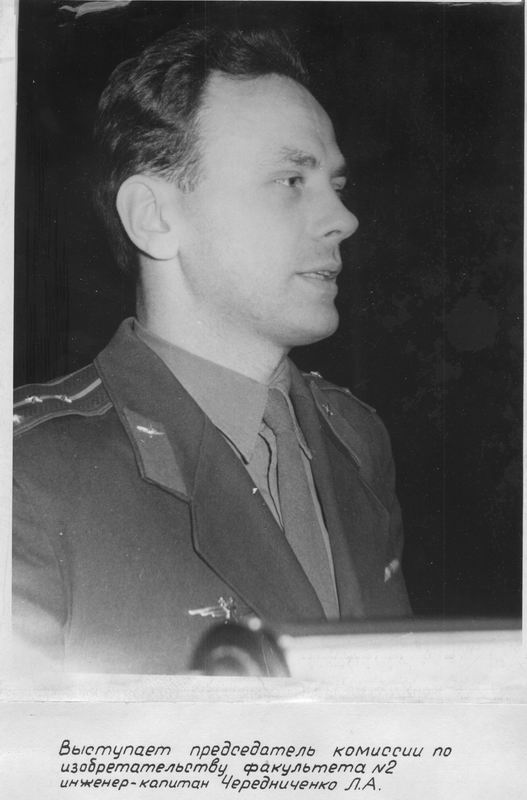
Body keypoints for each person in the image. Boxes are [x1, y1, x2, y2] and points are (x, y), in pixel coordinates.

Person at [13, 23, 411, 675]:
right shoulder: (29, 475)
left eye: (335, 186)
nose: (344, 219)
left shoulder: (357, 439)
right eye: (291, 180)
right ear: (155, 218)